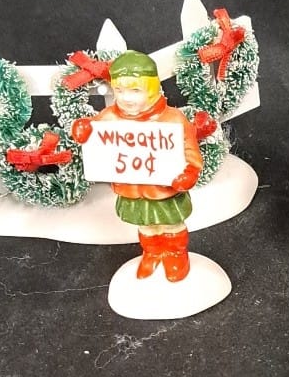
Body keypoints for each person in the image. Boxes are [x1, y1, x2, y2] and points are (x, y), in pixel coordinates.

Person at [70, 50, 202, 282]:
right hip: (132, 189)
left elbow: (190, 149)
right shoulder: (111, 117)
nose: (126, 98)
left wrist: (190, 171)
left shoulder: (172, 119)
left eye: (135, 90)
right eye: (119, 91)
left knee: (171, 223)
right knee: (146, 225)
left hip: (164, 191)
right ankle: (152, 251)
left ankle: (176, 253)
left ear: (152, 89)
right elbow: (94, 132)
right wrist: (83, 128)